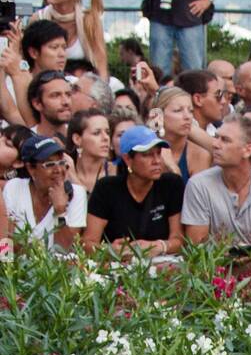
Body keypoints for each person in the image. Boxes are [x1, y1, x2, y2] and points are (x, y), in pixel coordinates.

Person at [180, 112, 251, 245]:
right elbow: (196, 245)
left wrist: (245, 257)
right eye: (216, 137)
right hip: (213, 265)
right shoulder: (198, 185)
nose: (215, 144)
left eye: (225, 140)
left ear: (248, 150)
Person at [82, 122, 183, 256]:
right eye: (147, 155)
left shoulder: (171, 184)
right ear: (128, 159)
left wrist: (160, 246)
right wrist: (111, 250)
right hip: (118, 269)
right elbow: (87, 243)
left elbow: (180, 239)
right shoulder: (106, 188)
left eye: (158, 153)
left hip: (161, 268)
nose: (157, 160)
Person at [4, 131, 86, 247]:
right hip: (16, 264)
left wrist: (60, 212)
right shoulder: (14, 188)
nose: (58, 170)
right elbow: (5, 240)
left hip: (56, 265)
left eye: (61, 162)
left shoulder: (77, 194)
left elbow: (65, 250)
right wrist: (7, 262)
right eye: (50, 164)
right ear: (31, 169)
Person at [28, 0, 108, 78]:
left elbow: (101, 66)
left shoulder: (90, 22)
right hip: (46, 84)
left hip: (83, 85)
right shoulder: (38, 18)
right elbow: (28, 62)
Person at [144, 0, 214, 78]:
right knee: (159, 71)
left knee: (194, 71)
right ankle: (160, 90)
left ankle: (195, 90)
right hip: (159, 15)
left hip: (190, 17)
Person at [65, 106, 115, 193]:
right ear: (77, 139)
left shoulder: (116, 171)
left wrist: (74, 179)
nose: (106, 138)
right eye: (96, 133)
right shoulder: (64, 174)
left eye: (107, 132)